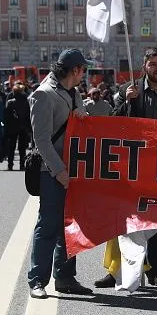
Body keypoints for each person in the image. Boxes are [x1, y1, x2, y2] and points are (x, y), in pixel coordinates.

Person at [94, 47, 157, 289]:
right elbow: (112, 124)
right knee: (122, 218)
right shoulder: (129, 90)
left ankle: (156, 271)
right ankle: (116, 271)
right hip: (131, 167)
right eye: (153, 64)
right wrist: (126, 101)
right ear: (145, 67)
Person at [27, 48, 93, 299]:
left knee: (70, 226)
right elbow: (41, 141)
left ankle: (65, 277)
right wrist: (60, 172)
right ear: (75, 70)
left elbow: (81, 125)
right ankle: (37, 280)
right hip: (53, 172)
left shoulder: (73, 93)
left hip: (74, 171)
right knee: (49, 226)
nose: (84, 74)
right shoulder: (43, 95)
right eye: (83, 70)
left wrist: (82, 113)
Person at [4, 83, 31, 170]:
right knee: (22, 148)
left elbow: (6, 117)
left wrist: (6, 128)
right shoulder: (26, 102)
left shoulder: (10, 102)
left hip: (12, 127)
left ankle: (10, 164)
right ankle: (22, 165)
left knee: (12, 147)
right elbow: (28, 115)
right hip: (23, 127)